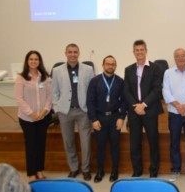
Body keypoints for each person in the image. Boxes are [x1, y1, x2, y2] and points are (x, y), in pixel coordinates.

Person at [52, 43, 94, 181]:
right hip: (65, 111)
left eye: (75, 52)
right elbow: (54, 92)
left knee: (85, 142)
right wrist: (57, 109)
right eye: (70, 52)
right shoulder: (57, 70)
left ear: (79, 53)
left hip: (83, 111)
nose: (72, 54)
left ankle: (86, 169)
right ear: (65, 53)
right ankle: (74, 168)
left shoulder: (88, 69)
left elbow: (92, 91)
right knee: (68, 141)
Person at [123, 39, 163, 178]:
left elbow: (157, 89)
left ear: (146, 51)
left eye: (142, 50)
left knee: (153, 141)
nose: (139, 52)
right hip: (134, 112)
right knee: (135, 143)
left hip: (149, 110)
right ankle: (137, 170)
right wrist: (136, 106)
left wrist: (143, 105)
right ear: (133, 52)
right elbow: (126, 90)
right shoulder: (128, 70)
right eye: (137, 50)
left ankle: (153, 171)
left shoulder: (155, 67)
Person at [87, 55, 127, 183]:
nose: (110, 66)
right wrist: (93, 119)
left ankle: (115, 170)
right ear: (103, 65)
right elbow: (90, 101)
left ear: (115, 66)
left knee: (115, 145)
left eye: (113, 64)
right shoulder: (95, 81)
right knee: (100, 146)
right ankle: (100, 170)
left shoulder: (120, 81)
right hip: (99, 118)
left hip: (115, 117)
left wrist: (122, 117)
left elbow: (124, 101)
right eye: (108, 64)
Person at [14, 50, 52, 182]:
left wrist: (43, 112)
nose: (34, 61)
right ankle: (31, 173)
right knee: (31, 145)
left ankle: (40, 170)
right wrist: (32, 113)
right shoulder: (21, 78)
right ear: (27, 61)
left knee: (41, 144)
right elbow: (19, 99)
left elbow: (49, 97)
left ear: (39, 61)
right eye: (31, 59)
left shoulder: (45, 77)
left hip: (43, 117)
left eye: (36, 59)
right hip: (27, 118)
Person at [162, 48, 185, 183]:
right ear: (174, 58)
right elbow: (165, 91)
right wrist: (178, 106)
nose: (181, 58)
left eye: (183, 55)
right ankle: (176, 169)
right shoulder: (168, 73)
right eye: (178, 56)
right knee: (174, 142)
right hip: (174, 113)